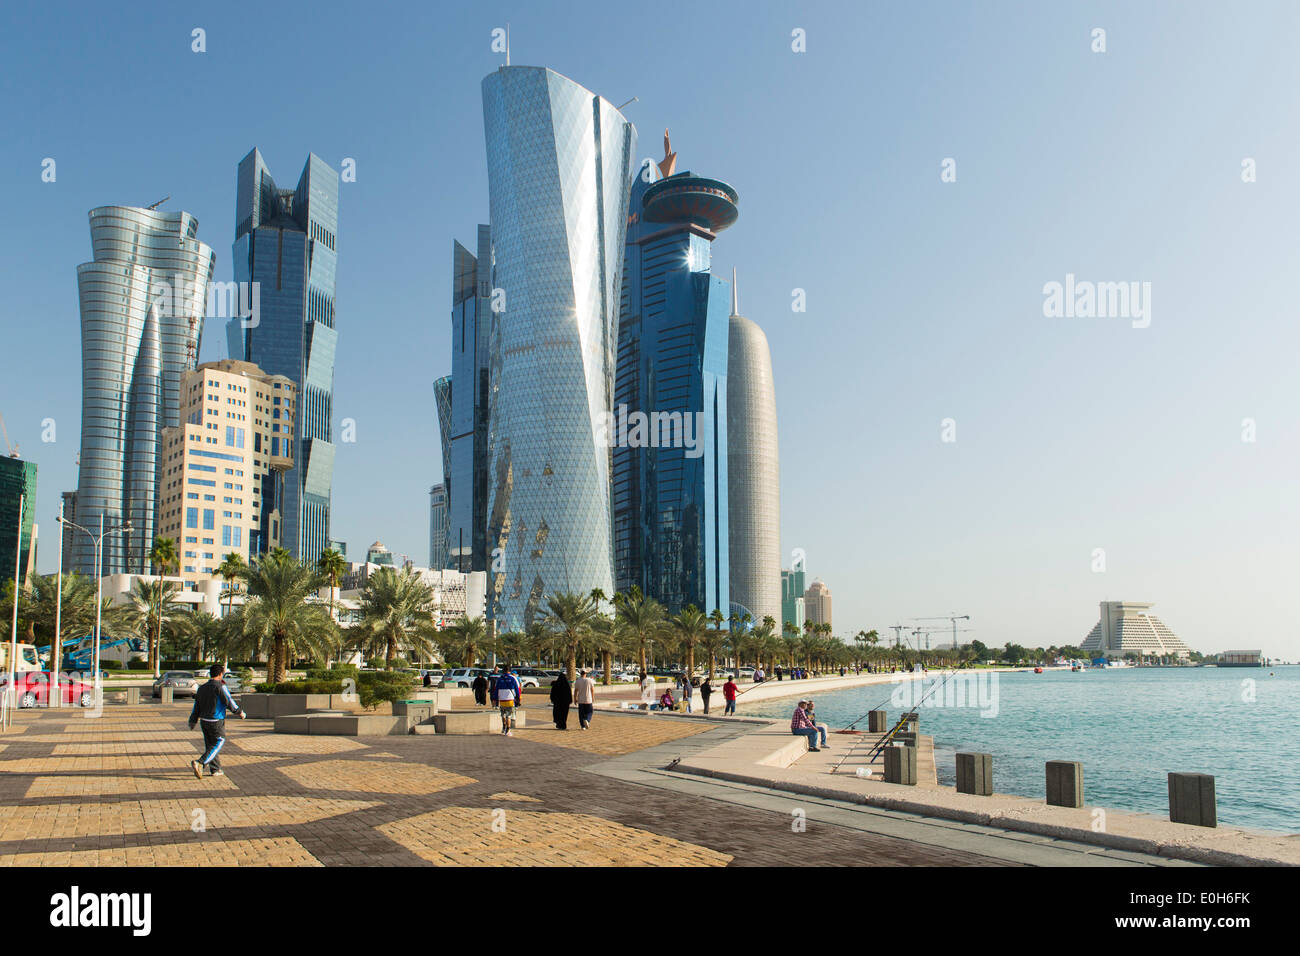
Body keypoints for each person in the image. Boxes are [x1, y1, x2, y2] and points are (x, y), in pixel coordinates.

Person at [188, 664, 246, 779]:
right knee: (219, 741)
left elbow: (197, 706)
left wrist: (193, 720)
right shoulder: (220, 687)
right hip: (216, 721)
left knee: (210, 745)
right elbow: (229, 701)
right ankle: (200, 762)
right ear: (221, 674)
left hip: (204, 721)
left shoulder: (202, 688)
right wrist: (239, 712)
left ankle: (215, 769)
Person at [493, 663, 523, 737]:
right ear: (510, 670)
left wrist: (495, 699)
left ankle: (503, 727)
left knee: (503, 714)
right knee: (508, 715)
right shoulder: (513, 678)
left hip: (502, 699)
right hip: (510, 699)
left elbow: (496, 689)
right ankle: (508, 730)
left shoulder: (500, 679)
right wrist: (518, 698)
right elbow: (517, 689)